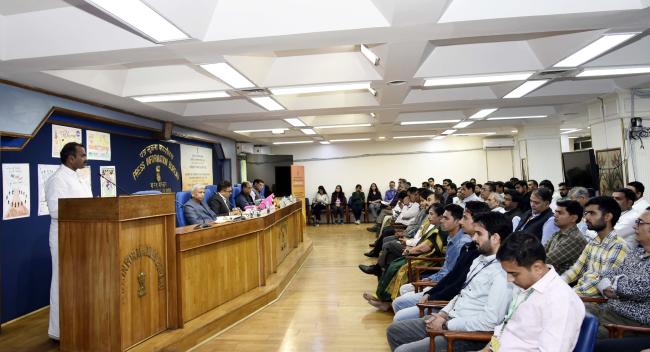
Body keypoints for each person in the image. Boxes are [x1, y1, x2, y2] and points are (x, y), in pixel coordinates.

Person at [387, 212, 513, 352]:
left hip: (467, 335)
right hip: (450, 319)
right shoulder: (480, 259)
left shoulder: (503, 273)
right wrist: (442, 314)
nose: (474, 237)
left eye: (479, 233)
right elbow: (461, 294)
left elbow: (489, 322)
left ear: (495, 238)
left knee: (403, 350)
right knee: (395, 331)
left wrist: (447, 325)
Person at [480, 232, 584, 352]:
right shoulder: (525, 285)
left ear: (537, 268)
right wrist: (486, 350)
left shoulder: (560, 300)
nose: (509, 280)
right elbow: (505, 332)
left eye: (513, 273)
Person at [391, 203, 481, 322]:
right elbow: (450, 273)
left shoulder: (463, 244)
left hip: (447, 295)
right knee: (401, 297)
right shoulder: (457, 240)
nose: (442, 220)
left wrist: (432, 292)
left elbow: (453, 280)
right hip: (442, 285)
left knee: (400, 306)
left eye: (446, 218)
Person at [44, 142, 93, 341]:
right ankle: (59, 331)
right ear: (70, 158)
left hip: (82, 235)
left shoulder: (79, 177)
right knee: (62, 281)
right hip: (64, 236)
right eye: (82, 155)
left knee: (79, 281)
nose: (85, 158)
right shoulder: (56, 179)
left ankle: (77, 323)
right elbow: (55, 210)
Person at [588, 207, 650, 337]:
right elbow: (607, 274)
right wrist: (612, 286)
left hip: (628, 324)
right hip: (607, 310)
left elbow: (636, 288)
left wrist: (614, 286)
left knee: (577, 335)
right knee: (565, 312)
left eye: (640, 222)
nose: (634, 227)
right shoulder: (636, 252)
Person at [562, 196, 629, 297]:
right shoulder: (593, 243)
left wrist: (568, 294)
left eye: (592, 213)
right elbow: (576, 270)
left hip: (596, 302)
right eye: (586, 213)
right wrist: (556, 285)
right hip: (580, 294)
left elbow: (601, 283)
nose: (587, 218)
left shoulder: (618, 246)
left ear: (607, 217)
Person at [545, 200, 588, 274]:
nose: (555, 215)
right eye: (556, 212)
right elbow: (541, 253)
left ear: (573, 218)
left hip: (565, 283)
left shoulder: (575, 239)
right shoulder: (557, 233)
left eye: (560, 213)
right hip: (551, 279)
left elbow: (546, 260)